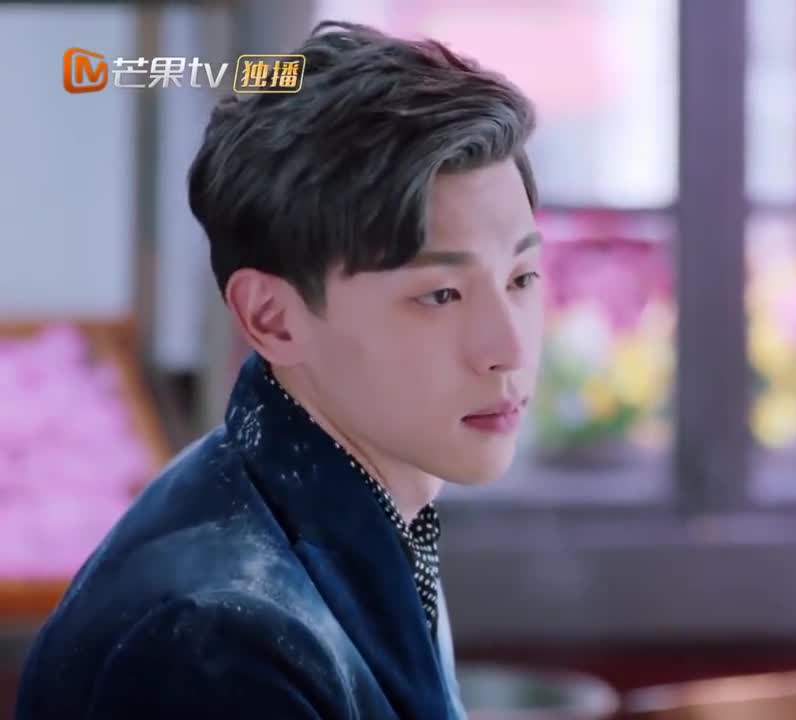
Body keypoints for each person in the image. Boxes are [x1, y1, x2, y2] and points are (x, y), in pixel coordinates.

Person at [17, 20, 543, 720]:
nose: (509, 348)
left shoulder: (377, 507)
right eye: (441, 295)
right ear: (272, 318)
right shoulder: (213, 641)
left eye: (522, 278)